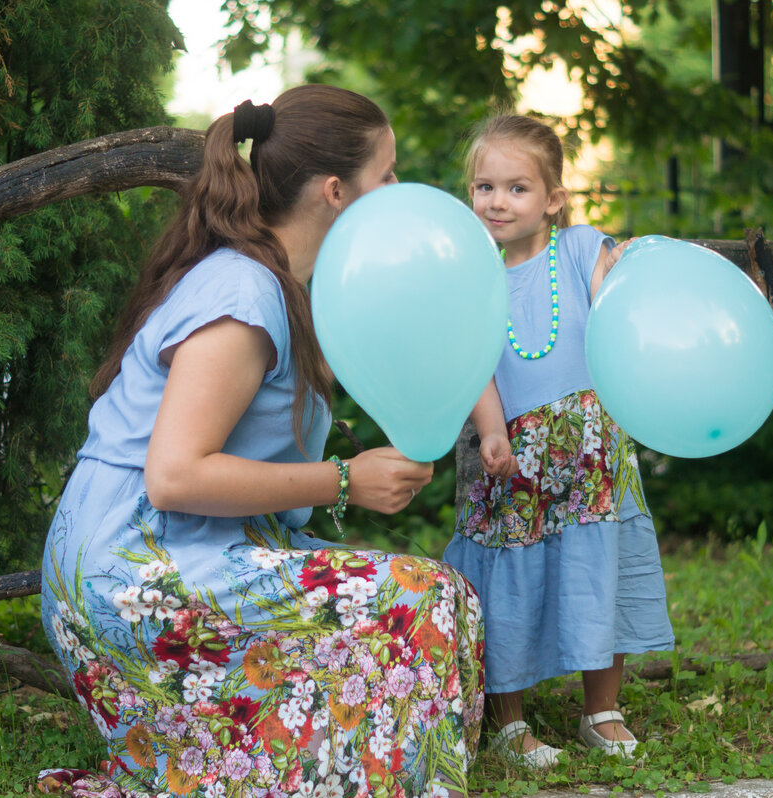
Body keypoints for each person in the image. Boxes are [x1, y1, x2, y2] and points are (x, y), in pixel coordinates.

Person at [37, 85, 484, 798]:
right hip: (130, 567)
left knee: (449, 595)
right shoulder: (244, 293)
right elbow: (174, 476)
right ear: (336, 191)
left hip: (190, 545)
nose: (399, 191)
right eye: (388, 174)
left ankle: (326, 771)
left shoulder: (290, 287)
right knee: (420, 598)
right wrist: (345, 480)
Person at [443, 115, 674, 766]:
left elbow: (617, 314)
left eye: (517, 188)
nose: (497, 201)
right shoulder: (472, 277)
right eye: (484, 187)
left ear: (553, 199)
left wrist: (626, 276)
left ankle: (602, 709)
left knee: (599, 571)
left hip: (590, 455)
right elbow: (476, 367)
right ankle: (509, 721)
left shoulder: (577, 250)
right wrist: (492, 430)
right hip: (512, 458)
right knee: (507, 579)